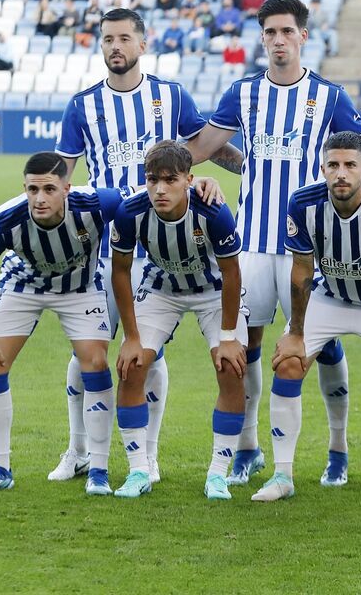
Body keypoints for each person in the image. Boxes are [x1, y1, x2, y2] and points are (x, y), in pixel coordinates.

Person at [186, 0, 361, 487]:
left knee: (318, 346)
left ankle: (338, 450)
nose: (278, 40)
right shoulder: (242, 93)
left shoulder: (329, 96)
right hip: (252, 244)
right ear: (262, 38)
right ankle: (248, 449)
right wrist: (186, 171)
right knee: (248, 344)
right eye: (270, 32)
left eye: (287, 31)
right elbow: (205, 148)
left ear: (303, 36)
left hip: (309, 246)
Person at [53, 8, 221, 487]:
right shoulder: (83, 105)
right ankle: (78, 449)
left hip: (162, 245)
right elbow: (62, 177)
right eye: (108, 39)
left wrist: (238, 172)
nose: (115, 47)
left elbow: (197, 150)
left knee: (151, 354)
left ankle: (146, 457)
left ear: (142, 44)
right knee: (87, 351)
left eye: (124, 38)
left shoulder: (170, 96)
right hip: (105, 247)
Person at [252, 132, 361, 507]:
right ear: (323, 169)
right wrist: (296, 332)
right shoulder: (303, 203)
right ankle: (283, 475)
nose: (341, 174)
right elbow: (301, 271)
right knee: (288, 362)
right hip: (329, 297)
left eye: (350, 165)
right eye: (334, 165)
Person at [0, 153, 123, 495]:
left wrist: (199, 182)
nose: (39, 198)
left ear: (66, 188)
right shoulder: (5, 220)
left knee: (95, 364)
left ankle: (98, 469)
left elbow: (144, 195)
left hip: (79, 288)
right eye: (32, 189)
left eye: (49, 189)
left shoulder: (96, 203)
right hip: (23, 285)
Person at [108, 142, 246, 499]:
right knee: (132, 366)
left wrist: (228, 336)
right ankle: (139, 471)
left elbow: (232, 274)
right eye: (152, 179)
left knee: (231, 369)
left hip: (213, 290)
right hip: (162, 287)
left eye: (170, 180)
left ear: (189, 179)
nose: (159, 188)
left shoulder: (213, 213)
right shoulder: (131, 212)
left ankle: (218, 474)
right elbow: (121, 272)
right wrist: (131, 337)